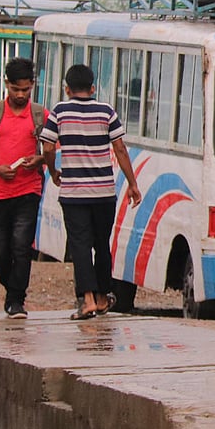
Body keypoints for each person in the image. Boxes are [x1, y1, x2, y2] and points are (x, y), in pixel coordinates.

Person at [39, 64, 142, 320]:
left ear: (67, 88)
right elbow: (119, 148)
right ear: (93, 88)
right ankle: (102, 296)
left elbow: (48, 146)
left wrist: (52, 171)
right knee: (101, 245)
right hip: (104, 192)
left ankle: (87, 301)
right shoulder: (106, 111)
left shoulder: (59, 112)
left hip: (74, 193)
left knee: (80, 245)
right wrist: (132, 183)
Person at [0, 57, 45, 319]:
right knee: (0, 248)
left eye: (26, 90)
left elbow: (51, 148)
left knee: (21, 245)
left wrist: (39, 159)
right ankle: (10, 288)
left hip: (28, 189)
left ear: (32, 86)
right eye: (16, 89)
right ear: (7, 85)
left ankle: (17, 300)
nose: (21, 95)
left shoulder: (39, 115)